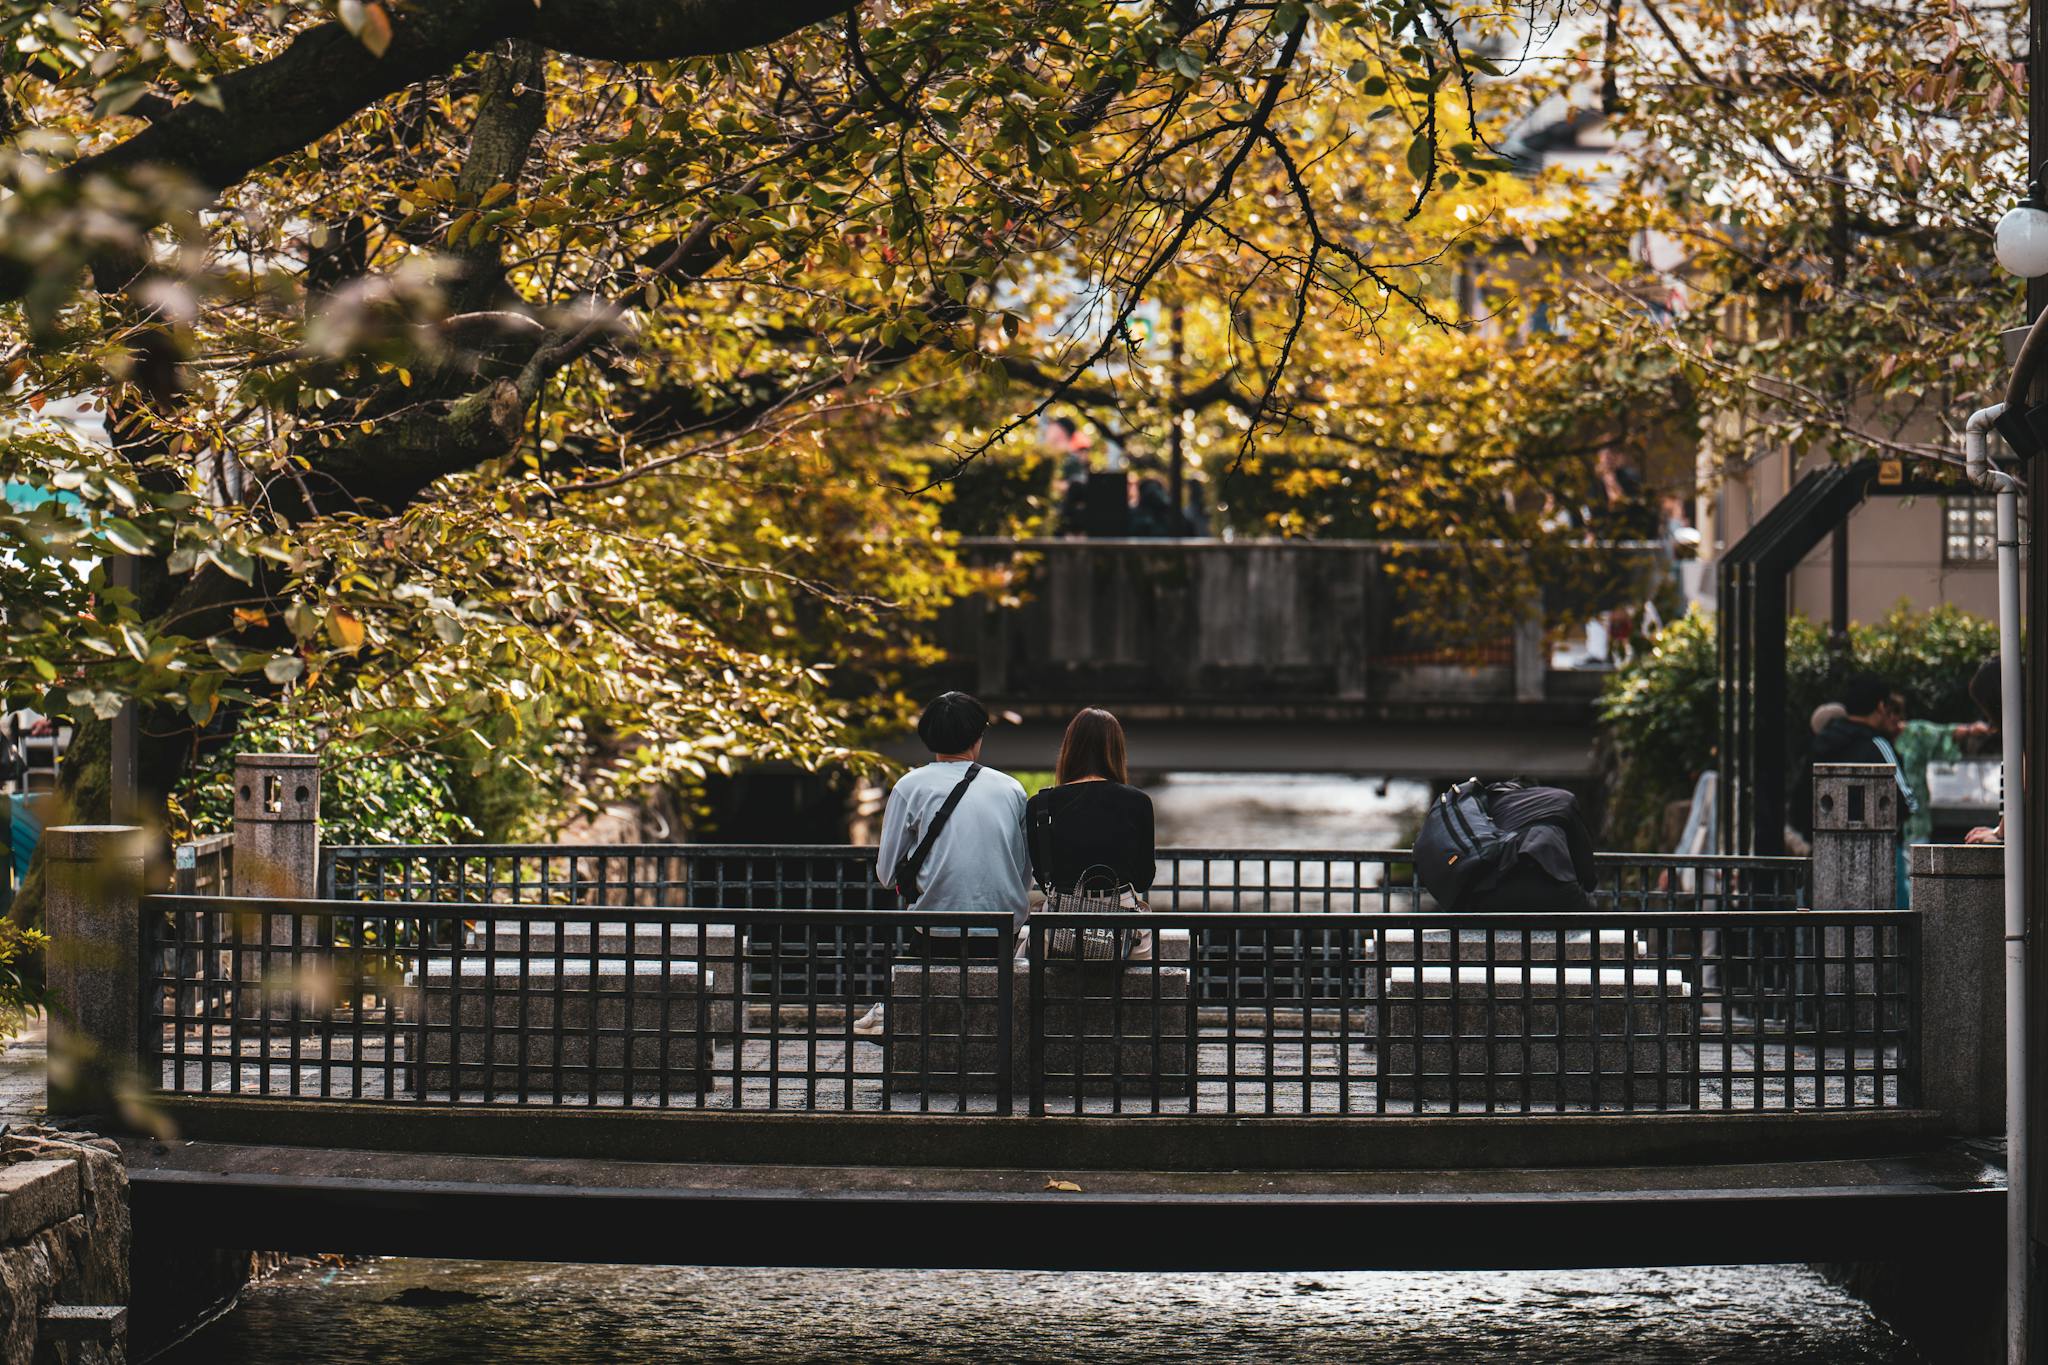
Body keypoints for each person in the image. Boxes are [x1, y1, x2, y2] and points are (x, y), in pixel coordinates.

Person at [857, 692, 1030, 1035]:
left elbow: (886, 872)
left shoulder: (910, 786)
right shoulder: (1011, 789)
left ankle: (894, 1015)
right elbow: (1023, 869)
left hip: (936, 924)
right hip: (1001, 925)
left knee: (919, 973)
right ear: (978, 737)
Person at [1794, 671, 1915, 906]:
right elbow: (1907, 800)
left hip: (1825, 854)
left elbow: (1800, 800)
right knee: (1887, 924)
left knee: (1832, 926)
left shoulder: (1820, 743)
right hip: (1879, 856)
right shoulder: (1877, 745)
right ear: (1880, 706)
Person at [1025, 708, 1155, 903]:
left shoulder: (1040, 804)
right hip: (1121, 921)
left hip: (1060, 920)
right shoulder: (1138, 801)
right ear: (1117, 750)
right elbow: (1143, 880)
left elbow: (1045, 880)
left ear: (1069, 748)